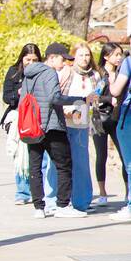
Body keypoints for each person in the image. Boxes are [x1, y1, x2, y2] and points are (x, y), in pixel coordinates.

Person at [22, 42, 97, 219]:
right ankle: (62, 205)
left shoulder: (29, 74)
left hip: (32, 125)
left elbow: (23, 98)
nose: (64, 64)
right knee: (64, 165)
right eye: (62, 60)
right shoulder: (49, 73)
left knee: (35, 166)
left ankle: (39, 207)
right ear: (52, 58)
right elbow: (55, 97)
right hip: (52, 125)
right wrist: (79, 99)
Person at [50, 42, 98, 212]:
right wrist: (66, 110)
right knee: (59, 160)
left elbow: (94, 99)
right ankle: (54, 200)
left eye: (87, 55)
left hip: (81, 120)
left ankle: (82, 201)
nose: (85, 58)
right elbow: (56, 95)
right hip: (63, 119)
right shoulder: (66, 72)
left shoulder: (94, 76)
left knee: (81, 161)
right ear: (74, 57)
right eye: (81, 55)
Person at [2, 44, 43, 205]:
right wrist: (18, 94)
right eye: (28, 59)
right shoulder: (14, 72)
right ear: (22, 58)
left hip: (38, 117)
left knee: (36, 155)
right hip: (19, 117)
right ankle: (22, 192)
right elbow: (6, 96)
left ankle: (37, 191)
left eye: (35, 60)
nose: (31, 63)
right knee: (21, 155)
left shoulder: (43, 73)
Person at [93, 42, 126, 206]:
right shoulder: (99, 73)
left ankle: (128, 192)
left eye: (120, 54)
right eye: (116, 55)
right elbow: (93, 96)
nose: (119, 58)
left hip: (117, 118)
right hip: (99, 119)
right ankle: (102, 193)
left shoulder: (123, 73)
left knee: (125, 155)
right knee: (101, 155)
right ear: (106, 56)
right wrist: (109, 99)